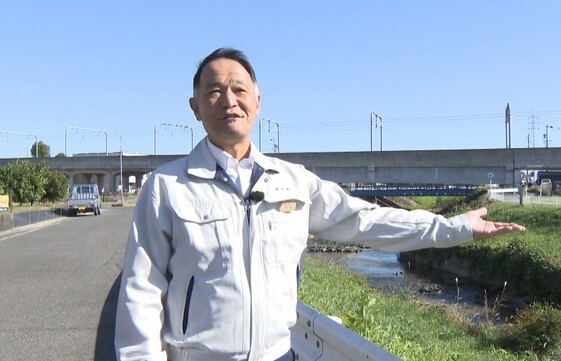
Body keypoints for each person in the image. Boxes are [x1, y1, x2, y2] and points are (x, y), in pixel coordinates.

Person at [114, 47, 525, 361]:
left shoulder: (292, 181)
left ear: (258, 101)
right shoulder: (166, 187)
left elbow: (367, 221)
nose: (228, 100)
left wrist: (456, 227)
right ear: (196, 107)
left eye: (239, 89)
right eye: (214, 91)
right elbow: (141, 290)